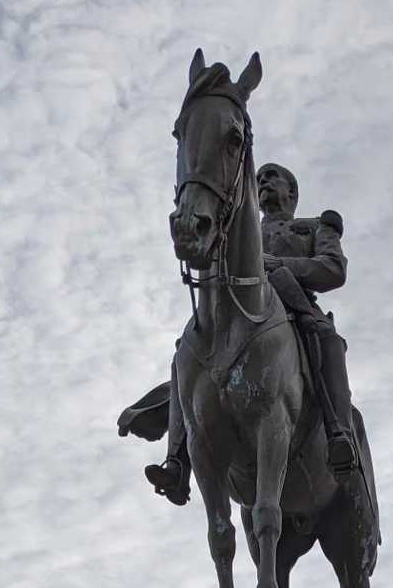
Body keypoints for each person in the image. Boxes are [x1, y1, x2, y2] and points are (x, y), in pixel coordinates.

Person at [141, 161, 359, 506]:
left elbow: (333, 270)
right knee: (187, 350)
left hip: (294, 309)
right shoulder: (239, 232)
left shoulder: (315, 227)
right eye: (259, 179)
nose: (264, 182)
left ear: (292, 191)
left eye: (272, 177)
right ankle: (177, 461)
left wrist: (278, 264)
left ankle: (339, 434)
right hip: (238, 318)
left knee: (327, 339)